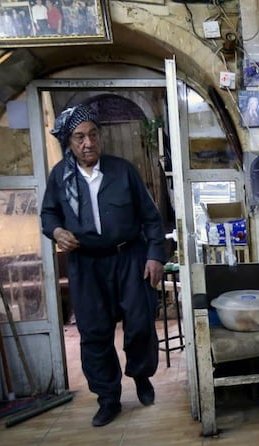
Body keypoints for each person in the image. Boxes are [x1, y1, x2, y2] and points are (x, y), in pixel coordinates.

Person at [40, 104, 166, 427]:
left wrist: (154, 256)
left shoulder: (123, 171)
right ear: (69, 143)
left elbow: (151, 218)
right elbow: (48, 215)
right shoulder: (60, 178)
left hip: (129, 258)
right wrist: (56, 231)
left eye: (93, 135)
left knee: (139, 323)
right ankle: (108, 398)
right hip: (86, 265)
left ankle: (140, 376)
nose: (88, 143)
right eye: (80, 137)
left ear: (100, 137)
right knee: (95, 333)